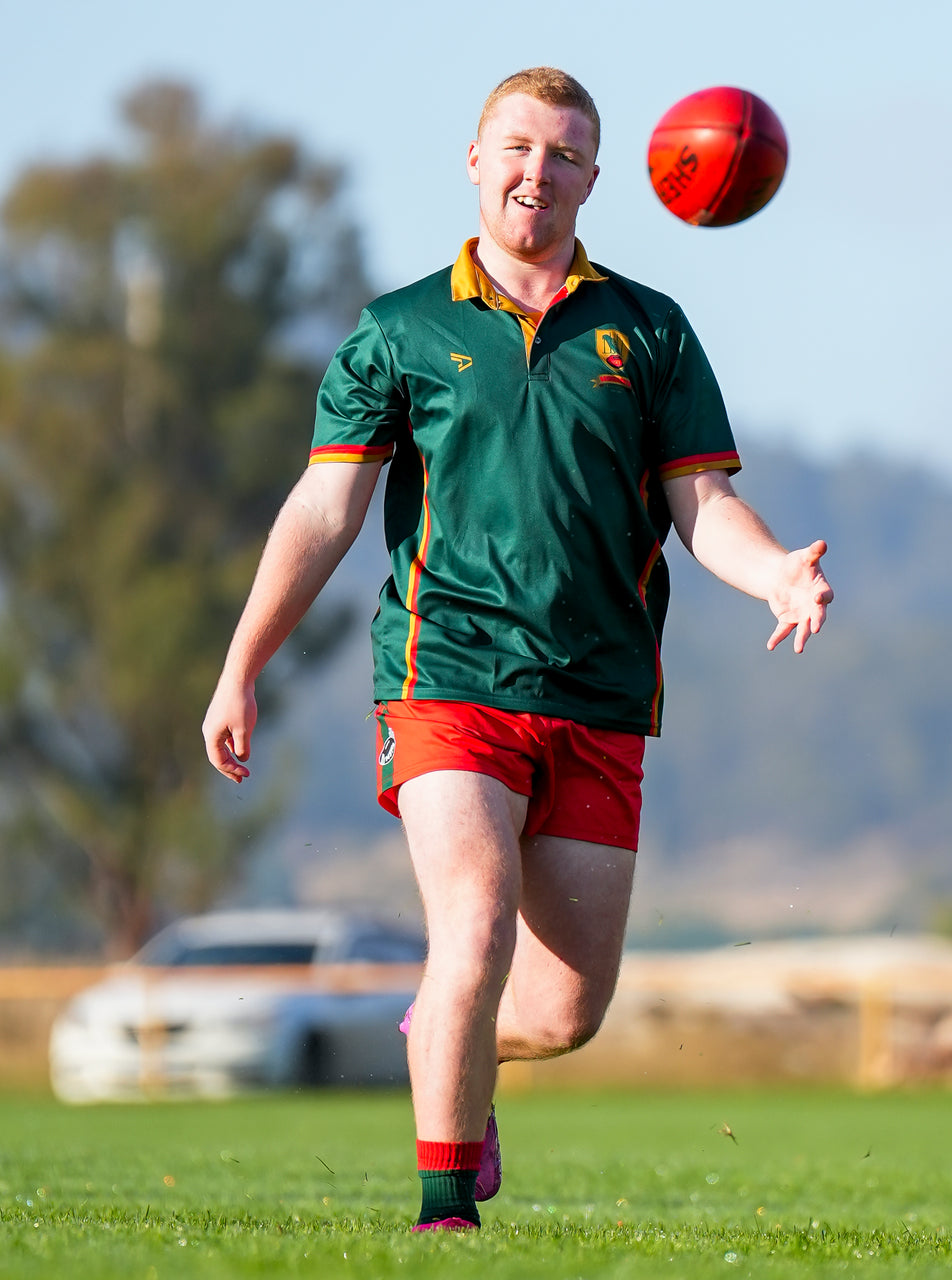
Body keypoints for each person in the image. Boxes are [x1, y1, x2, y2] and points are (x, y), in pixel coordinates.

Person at [202, 67, 832, 1232]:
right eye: (516, 147)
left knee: (559, 1009)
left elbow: (703, 507)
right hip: (446, 679)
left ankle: (444, 1034)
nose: (536, 170)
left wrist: (776, 568)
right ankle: (444, 1215)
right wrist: (242, 664)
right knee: (474, 925)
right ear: (476, 160)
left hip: (597, 691)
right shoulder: (400, 328)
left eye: (562, 153)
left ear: (598, 176)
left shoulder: (649, 330)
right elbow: (323, 512)